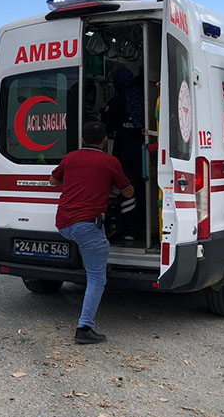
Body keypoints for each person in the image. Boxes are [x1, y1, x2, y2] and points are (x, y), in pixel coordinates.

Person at [49, 121, 134, 345]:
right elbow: (128, 192)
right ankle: (84, 327)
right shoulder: (110, 161)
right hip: (86, 225)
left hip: (63, 223)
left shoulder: (71, 158)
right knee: (96, 278)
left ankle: (94, 261)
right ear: (105, 140)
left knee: (92, 255)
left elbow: (53, 180)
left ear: (83, 139)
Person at [101, 68, 144, 241]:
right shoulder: (143, 98)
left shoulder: (116, 101)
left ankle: (129, 229)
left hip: (124, 151)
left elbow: (107, 127)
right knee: (141, 188)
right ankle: (139, 226)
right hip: (144, 150)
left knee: (125, 188)